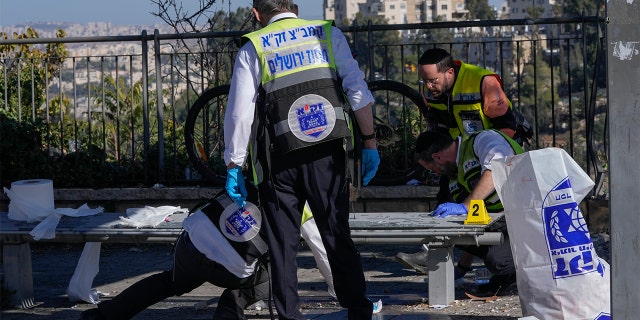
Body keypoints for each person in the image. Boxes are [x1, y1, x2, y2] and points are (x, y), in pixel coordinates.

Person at [222, 1, 380, 319]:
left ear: (256, 13)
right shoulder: (328, 34)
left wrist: (234, 164)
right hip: (327, 153)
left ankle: (289, 315)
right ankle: (358, 309)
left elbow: (240, 114)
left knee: (283, 246)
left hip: (277, 158)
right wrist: (369, 141)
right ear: (294, 6)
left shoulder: (254, 47)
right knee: (336, 233)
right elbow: (357, 90)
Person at [396, 47, 531, 278]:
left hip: (491, 153)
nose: (428, 87)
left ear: (449, 73)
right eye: (424, 81)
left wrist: (485, 158)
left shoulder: (482, 82)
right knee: (446, 202)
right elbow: (438, 129)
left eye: (433, 80)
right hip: (459, 155)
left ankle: (510, 258)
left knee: (478, 206)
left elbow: (506, 127)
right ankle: (436, 254)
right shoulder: (431, 92)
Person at [78, 189, 270, 320]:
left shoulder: (255, 171)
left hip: (191, 244)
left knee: (168, 282)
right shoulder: (296, 199)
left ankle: (102, 315)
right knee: (280, 273)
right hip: (229, 271)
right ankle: (233, 303)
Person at [413, 129, 523, 294]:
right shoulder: (454, 176)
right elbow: (470, 224)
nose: (435, 173)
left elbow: (496, 170)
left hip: (529, 215)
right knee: (453, 231)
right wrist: (462, 268)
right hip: (504, 221)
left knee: (501, 262)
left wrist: (467, 204)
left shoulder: (483, 140)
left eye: (432, 168)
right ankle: (506, 274)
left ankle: (535, 267)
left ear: (437, 157)